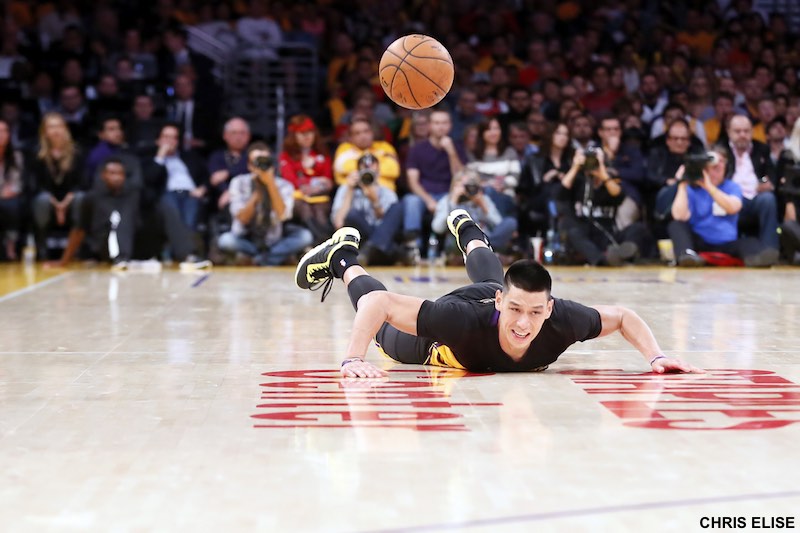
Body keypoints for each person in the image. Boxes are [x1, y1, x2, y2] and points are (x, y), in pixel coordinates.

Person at [293, 209, 702, 378]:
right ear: (501, 306)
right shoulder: (459, 319)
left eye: (536, 313)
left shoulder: (561, 319)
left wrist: (657, 356)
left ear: (550, 309)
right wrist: (352, 358)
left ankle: (468, 228)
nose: (524, 324)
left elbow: (623, 316)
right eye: (516, 310)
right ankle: (343, 259)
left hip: (489, 297)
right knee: (383, 332)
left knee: (495, 278)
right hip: (441, 343)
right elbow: (379, 304)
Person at [668, 145, 779, 268]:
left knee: (750, 242)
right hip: (700, 241)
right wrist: (682, 184)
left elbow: (734, 207)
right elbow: (679, 216)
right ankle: (687, 256)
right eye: (713, 163)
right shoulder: (692, 189)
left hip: (727, 243)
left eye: (722, 162)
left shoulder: (732, 187)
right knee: (676, 225)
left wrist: (709, 187)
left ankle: (757, 258)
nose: (718, 165)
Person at [217, 142, 313, 266]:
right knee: (226, 240)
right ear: (249, 166)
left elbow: (282, 215)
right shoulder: (238, 182)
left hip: (274, 239)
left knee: (305, 237)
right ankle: (274, 258)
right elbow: (242, 218)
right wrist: (258, 192)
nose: (261, 167)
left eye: (265, 162)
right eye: (257, 163)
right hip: (246, 238)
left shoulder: (284, 185)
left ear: (272, 164)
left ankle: (258, 259)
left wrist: (270, 184)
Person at [279, 115, 334, 242]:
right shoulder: (286, 156)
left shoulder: (322, 154)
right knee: (304, 207)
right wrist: (315, 181)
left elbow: (328, 181)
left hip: (319, 197)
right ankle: (324, 242)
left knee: (320, 210)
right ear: (294, 135)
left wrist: (312, 186)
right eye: (302, 133)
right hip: (297, 199)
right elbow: (290, 181)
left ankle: (323, 243)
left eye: (310, 132)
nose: (307, 136)